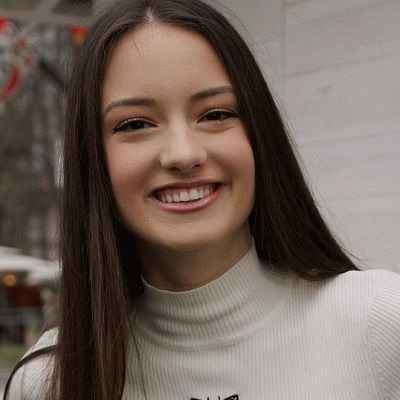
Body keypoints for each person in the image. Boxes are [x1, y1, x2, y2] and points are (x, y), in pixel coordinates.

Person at [4, 0, 400, 399]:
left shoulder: (380, 321)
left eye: (215, 114)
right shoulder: (47, 382)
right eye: (136, 124)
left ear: (259, 134)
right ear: (93, 159)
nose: (184, 154)